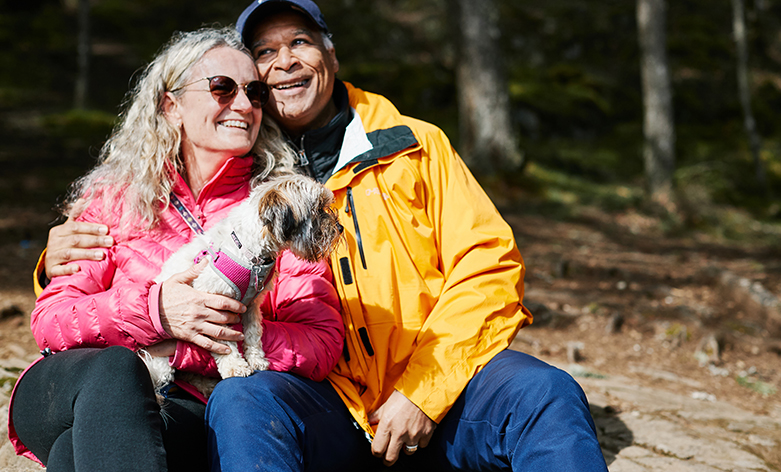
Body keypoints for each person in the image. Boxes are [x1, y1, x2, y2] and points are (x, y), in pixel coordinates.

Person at [34, 1, 609, 471]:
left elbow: (488, 267)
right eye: (263, 54)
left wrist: (424, 392)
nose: (282, 63)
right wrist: (61, 262)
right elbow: (94, 281)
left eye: (300, 42)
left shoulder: (414, 146)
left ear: (330, 51)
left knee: (546, 396)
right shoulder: (251, 184)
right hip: (322, 402)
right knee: (238, 403)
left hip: (441, 381)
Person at [9, 26, 343, 472]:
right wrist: (155, 312)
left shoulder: (279, 212)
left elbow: (321, 343)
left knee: (80, 451)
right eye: (222, 88)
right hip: (70, 386)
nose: (243, 105)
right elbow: (51, 321)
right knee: (116, 373)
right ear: (171, 106)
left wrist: (204, 337)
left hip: (180, 404)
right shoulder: (115, 198)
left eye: (256, 92)